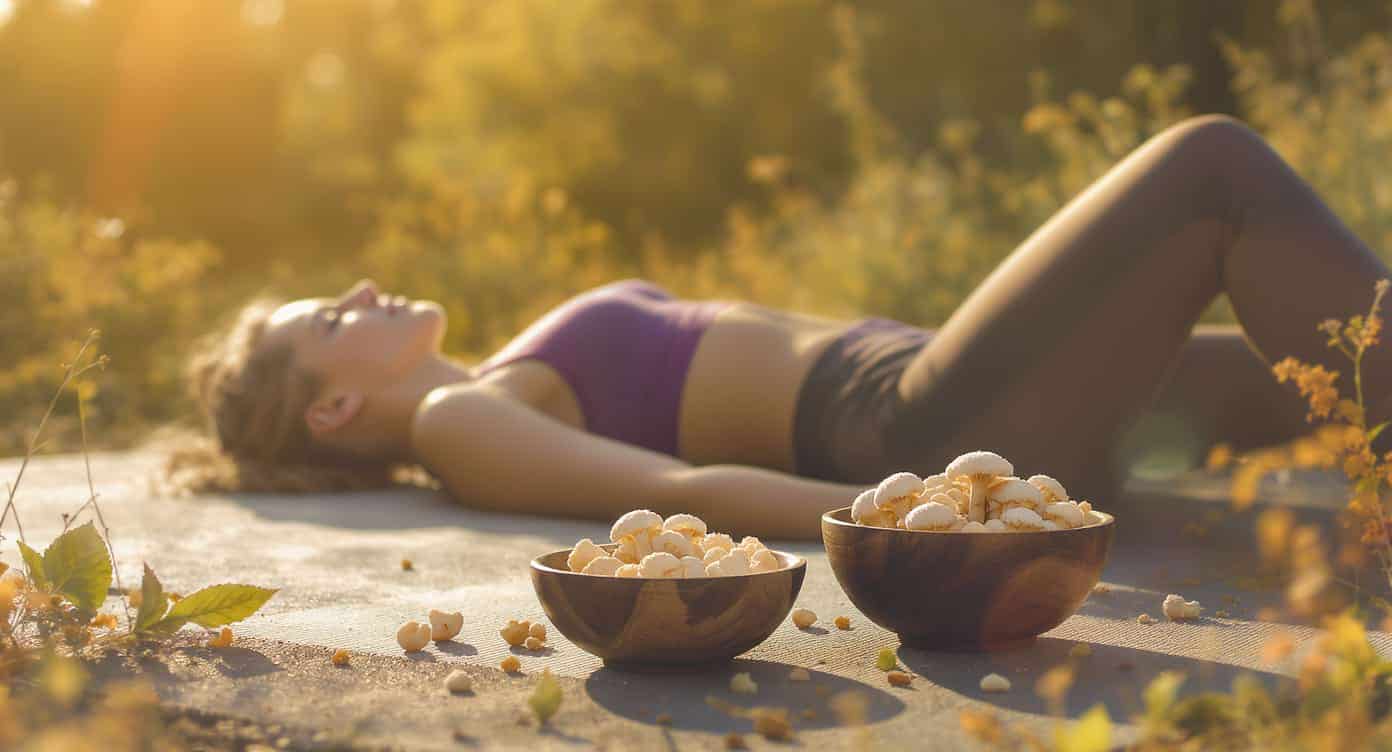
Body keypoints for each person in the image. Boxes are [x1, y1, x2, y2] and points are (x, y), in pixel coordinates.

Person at [167, 115, 1392, 539]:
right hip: (924, 428)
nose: (366, 287)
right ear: (332, 403)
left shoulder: (490, 377)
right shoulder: (458, 418)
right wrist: (925, 521)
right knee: (1209, 169)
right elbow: (675, 489)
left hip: (955, 393)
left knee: (1324, 366)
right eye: (332, 316)